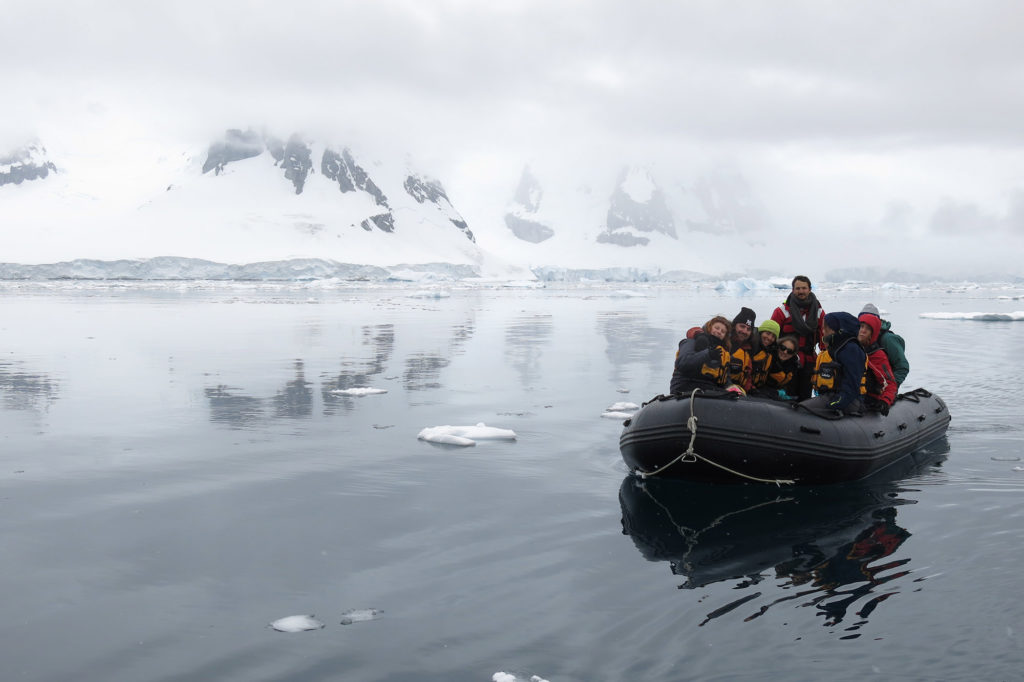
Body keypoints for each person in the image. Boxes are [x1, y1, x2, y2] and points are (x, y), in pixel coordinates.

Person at [771, 276, 825, 400]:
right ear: (793, 290)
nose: (801, 291)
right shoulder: (781, 311)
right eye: (798, 288)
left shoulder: (819, 313)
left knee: (805, 396)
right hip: (786, 360)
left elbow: (824, 340)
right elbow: (772, 338)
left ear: (810, 289)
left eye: (804, 288)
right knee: (786, 395)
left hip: (808, 361)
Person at [813, 312, 867, 415]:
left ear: (840, 330)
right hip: (831, 397)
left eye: (826, 328)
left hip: (848, 401)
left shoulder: (851, 350)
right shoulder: (837, 348)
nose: (823, 332)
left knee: (802, 411)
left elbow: (852, 385)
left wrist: (834, 404)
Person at [669, 316, 733, 395]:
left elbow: (725, 379)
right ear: (710, 328)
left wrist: (731, 387)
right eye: (717, 328)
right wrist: (707, 355)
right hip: (685, 385)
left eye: (723, 331)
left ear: (725, 337)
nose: (719, 332)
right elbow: (682, 363)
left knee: (731, 396)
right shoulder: (691, 342)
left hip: (708, 388)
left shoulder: (722, 353)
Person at [860, 303, 909, 389]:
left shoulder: (888, 339)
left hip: (884, 387)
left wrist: (890, 388)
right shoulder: (859, 337)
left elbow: (902, 367)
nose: (863, 329)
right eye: (862, 325)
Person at [858, 313, 898, 414]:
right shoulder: (852, 350)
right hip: (854, 397)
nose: (863, 331)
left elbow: (890, 383)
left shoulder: (877, 356)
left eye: (867, 329)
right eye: (861, 327)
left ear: (873, 333)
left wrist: (885, 401)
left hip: (870, 400)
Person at [728, 307, 757, 391]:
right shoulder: (724, 340)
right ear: (734, 326)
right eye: (742, 326)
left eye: (748, 329)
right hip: (721, 390)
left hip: (739, 393)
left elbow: (747, 376)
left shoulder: (748, 349)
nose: (744, 331)